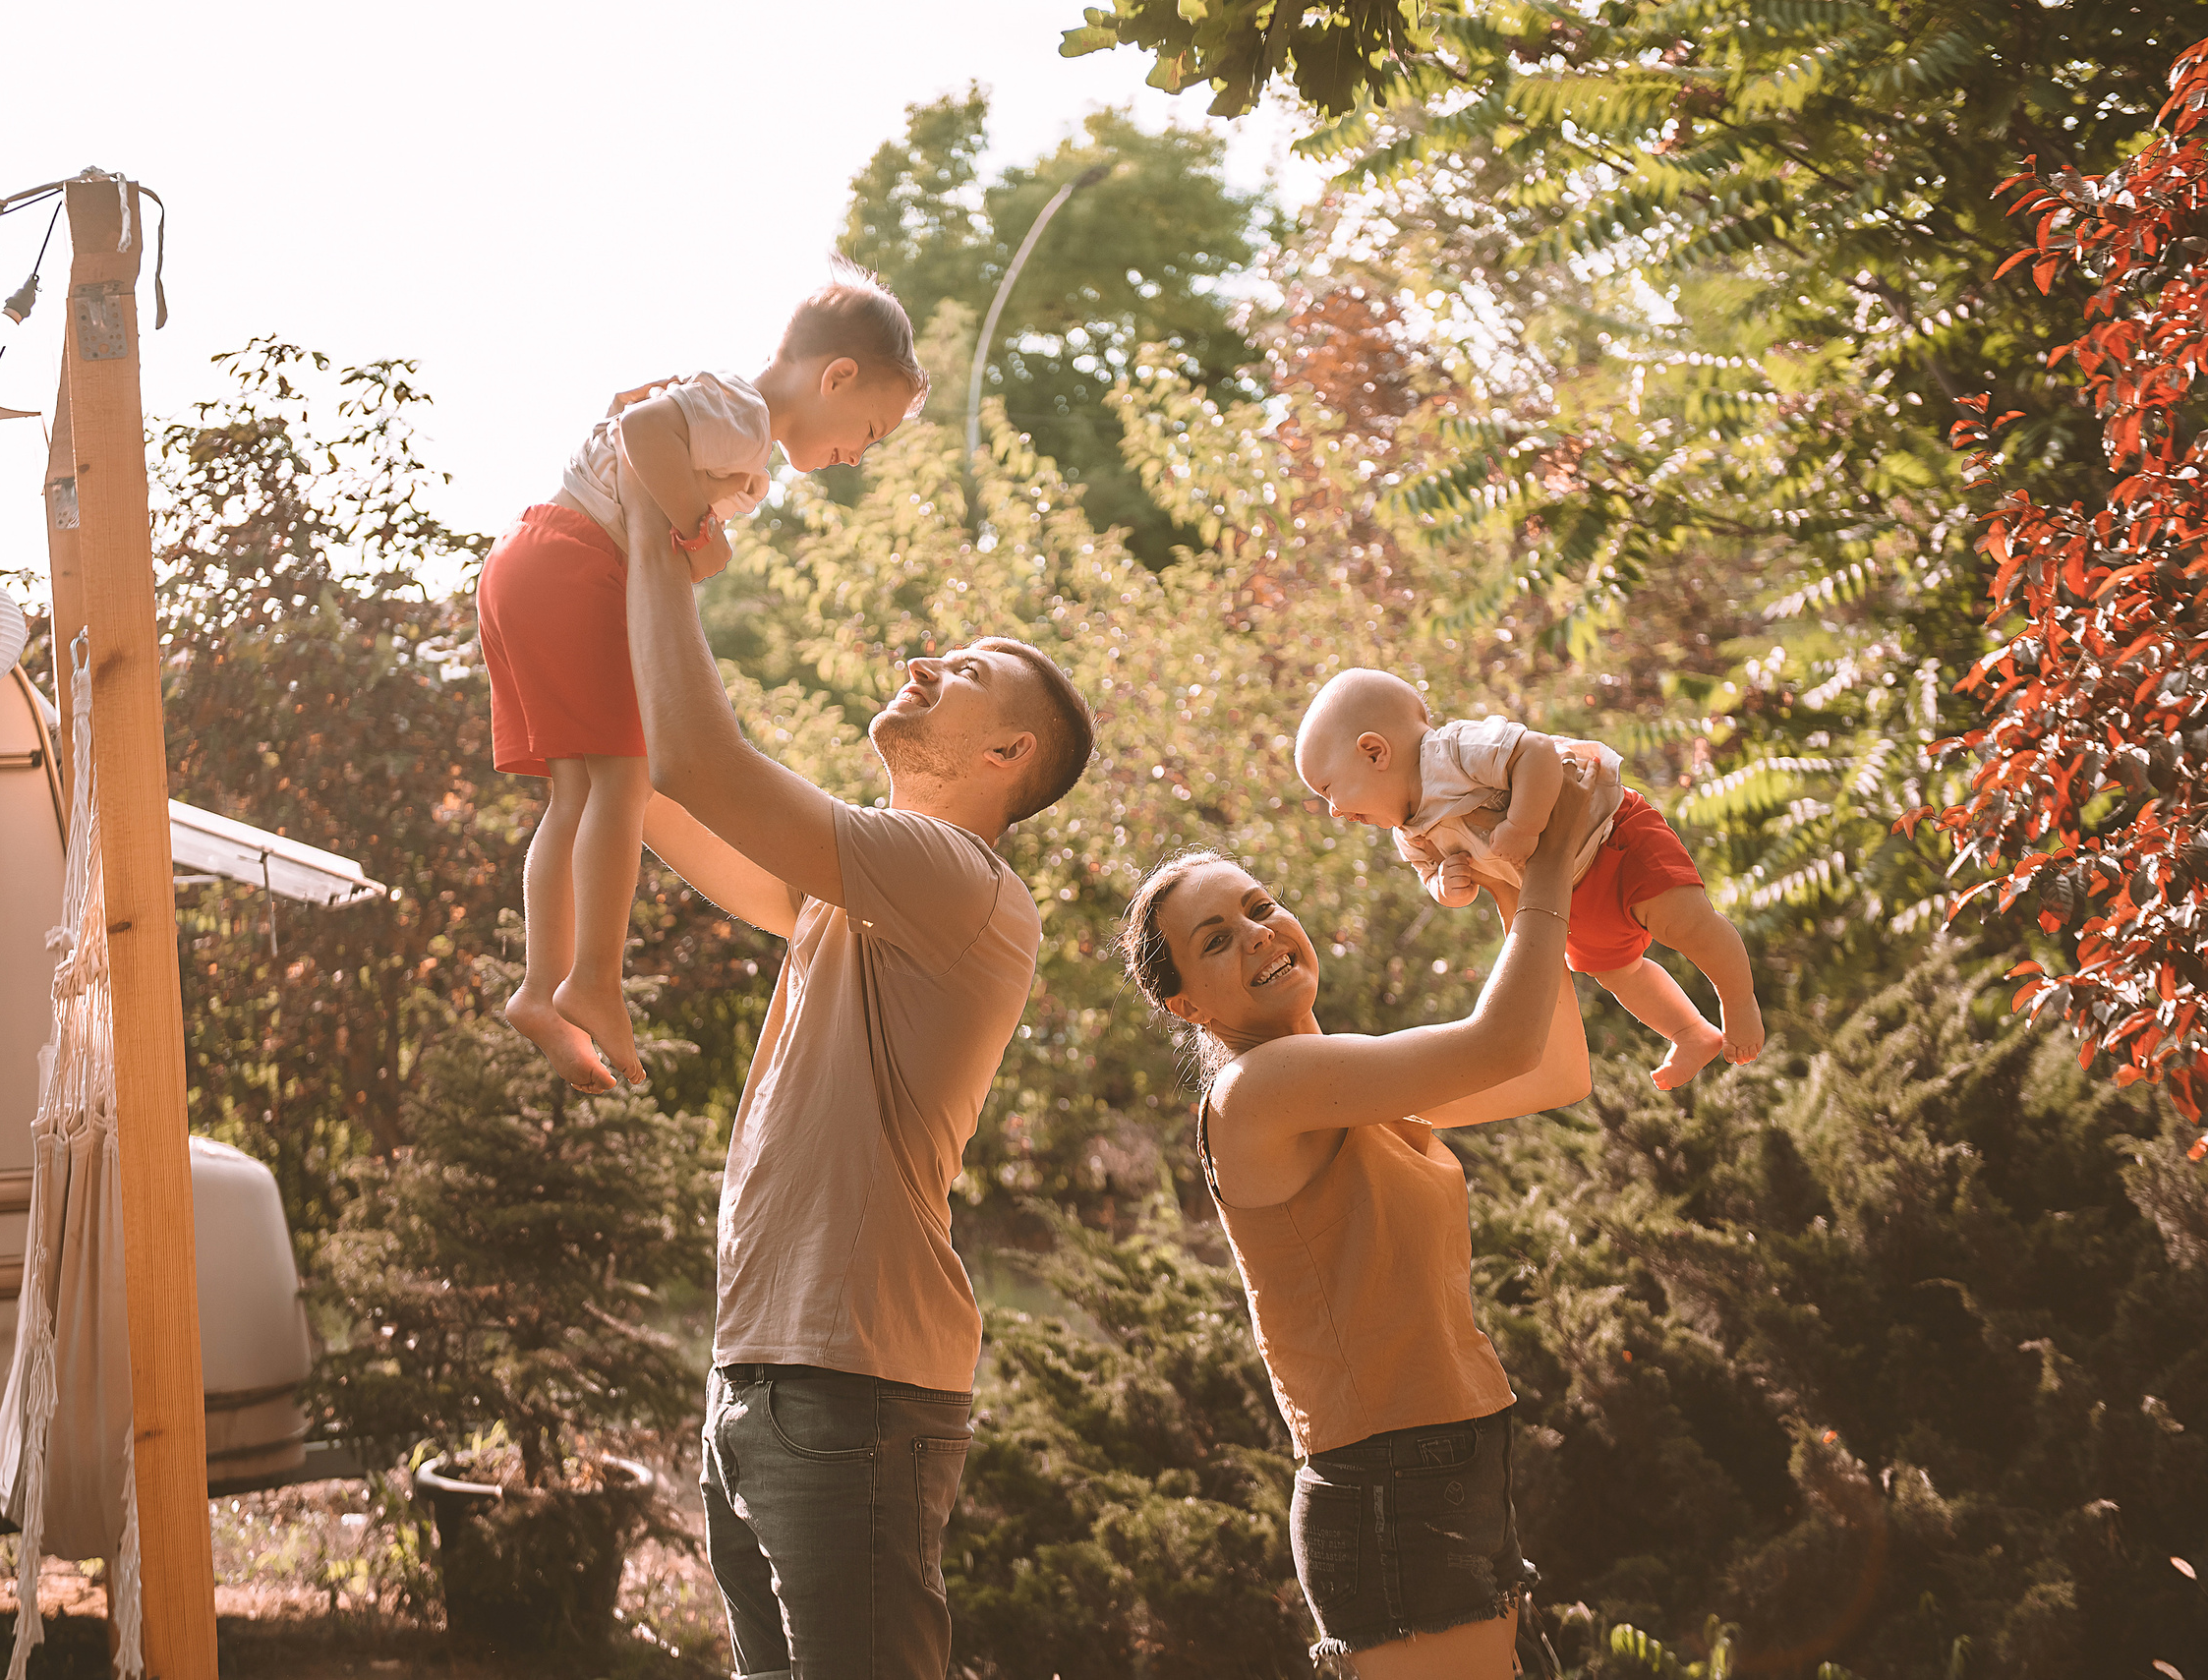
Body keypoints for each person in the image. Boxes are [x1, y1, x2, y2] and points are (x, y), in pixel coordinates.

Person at [611, 458, 1095, 1675]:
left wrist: (658, 544)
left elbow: (700, 765)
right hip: (761, 1376)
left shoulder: (958, 880)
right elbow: (652, 786)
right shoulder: (849, 896)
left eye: (965, 672)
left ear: (1007, 753)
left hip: (851, 1390)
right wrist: (578, 588)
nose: (924, 662)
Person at [1118, 756, 1617, 1679]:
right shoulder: (1260, 1089)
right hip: (1394, 1482)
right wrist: (1544, 856)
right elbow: (1504, 1041)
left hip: (1447, 1461)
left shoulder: (1349, 1082)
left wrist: (1510, 878)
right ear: (1186, 1004)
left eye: (1261, 906)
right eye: (1217, 940)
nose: (1259, 935)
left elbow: (1552, 1069)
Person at [478, 263, 929, 1093]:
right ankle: (593, 978)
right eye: (868, 430)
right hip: (577, 565)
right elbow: (643, 427)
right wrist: (692, 531)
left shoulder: (739, 434)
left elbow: (635, 426)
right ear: (835, 377)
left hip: (528, 560)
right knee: (625, 782)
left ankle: (542, 988)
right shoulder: (744, 414)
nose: (858, 456)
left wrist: (692, 531)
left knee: (576, 795)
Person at [1295, 667, 1763, 1090]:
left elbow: (1534, 752)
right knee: (1619, 973)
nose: (1334, 811)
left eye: (1329, 789)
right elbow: (1431, 878)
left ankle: (1739, 1002)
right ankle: (1689, 1032)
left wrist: (1523, 825)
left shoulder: (1452, 752)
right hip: (1566, 890)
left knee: (1686, 923)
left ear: (1374, 752)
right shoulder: (1409, 833)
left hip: (1610, 836)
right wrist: (1447, 887)